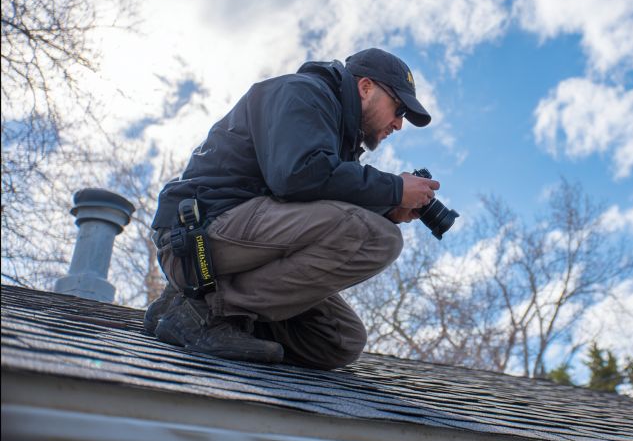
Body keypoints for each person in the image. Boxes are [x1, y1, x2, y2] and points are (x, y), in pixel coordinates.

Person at [144, 48, 440, 368]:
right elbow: (296, 176)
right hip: (197, 235)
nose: (398, 124)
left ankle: (188, 304)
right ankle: (203, 315)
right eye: (398, 109)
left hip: (236, 239)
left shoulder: (334, 133)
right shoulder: (302, 93)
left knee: (340, 339)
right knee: (378, 238)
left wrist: (388, 208)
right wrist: (394, 189)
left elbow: (308, 199)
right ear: (366, 87)